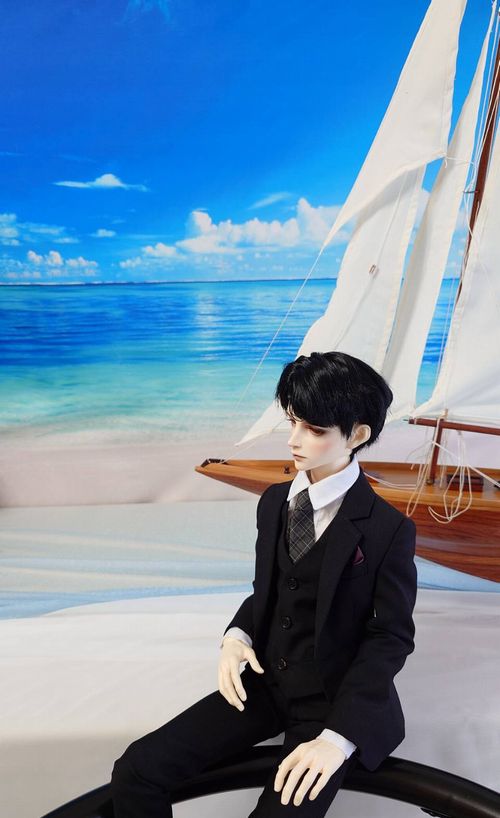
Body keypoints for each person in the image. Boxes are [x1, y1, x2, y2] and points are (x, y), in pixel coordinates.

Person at [110, 350, 418, 817]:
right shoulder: (275, 502)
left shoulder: (387, 528)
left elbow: (390, 637)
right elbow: (271, 590)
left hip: (331, 704)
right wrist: (237, 636)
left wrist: (338, 738)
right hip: (266, 684)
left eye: (314, 429)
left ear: (357, 435)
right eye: (292, 422)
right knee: (138, 769)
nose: (294, 440)